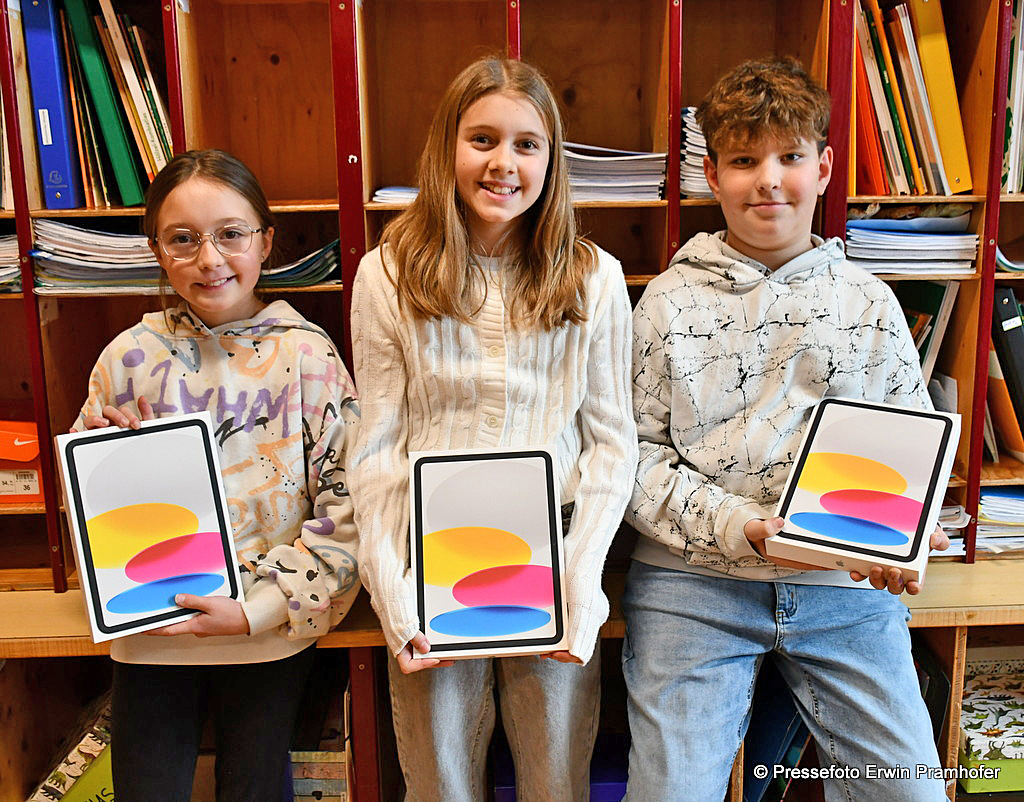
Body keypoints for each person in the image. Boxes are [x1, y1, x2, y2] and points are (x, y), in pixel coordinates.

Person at [623, 59, 949, 802]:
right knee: (670, 792)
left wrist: (908, 532)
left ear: (823, 168)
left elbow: (910, 448)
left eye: (790, 157)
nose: (768, 180)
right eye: (744, 161)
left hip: (842, 589)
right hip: (693, 583)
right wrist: (742, 527)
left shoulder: (870, 304)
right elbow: (634, 460)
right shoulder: (666, 303)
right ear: (712, 175)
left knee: (912, 791)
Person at [349, 56, 637, 801]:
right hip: (429, 559)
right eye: (482, 139)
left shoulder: (595, 277)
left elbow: (612, 444)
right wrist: (393, 596)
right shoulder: (387, 273)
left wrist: (581, 581)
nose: (503, 163)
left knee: (555, 780)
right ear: (448, 145)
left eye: (526, 144)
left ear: (550, 159)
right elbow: (376, 449)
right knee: (440, 780)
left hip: (556, 555)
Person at [73, 149, 361, 801]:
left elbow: (348, 508)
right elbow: (89, 518)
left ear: (266, 240)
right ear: (156, 249)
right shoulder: (126, 359)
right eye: (183, 239)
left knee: (254, 787)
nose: (209, 259)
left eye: (231, 234)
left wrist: (259, 610)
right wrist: (98, 460)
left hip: (264, 633)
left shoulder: (308, 357)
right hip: (150, 632)